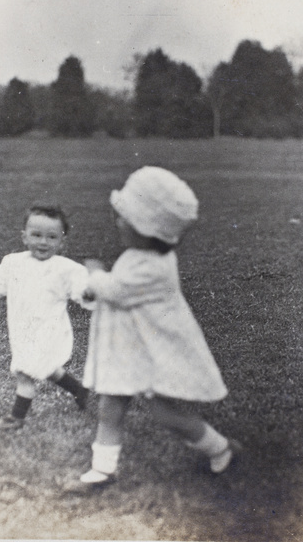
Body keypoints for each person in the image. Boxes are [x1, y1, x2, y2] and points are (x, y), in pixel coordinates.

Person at [77, 166, 240, 488]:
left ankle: (220, 447)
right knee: (110, 406)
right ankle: (102, 470)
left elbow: (118, 291)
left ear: (148, 230)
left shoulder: (154, 266)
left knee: (166, 415)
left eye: (126, 218)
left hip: (154, 353)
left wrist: (94, 274)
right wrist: (95, 288)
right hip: (126, 349)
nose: (117, 221)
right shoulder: (139, 253)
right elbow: (116, 292)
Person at [0, 202, 91, 430]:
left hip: (50, 329)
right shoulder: (14, 263)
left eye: (52, 237)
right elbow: (0, 282)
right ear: (24, 237)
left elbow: (81, 291)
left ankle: (17, 417)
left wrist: (90, 290)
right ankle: (78, 390)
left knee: (26, 371)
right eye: (36, 235)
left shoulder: (67, 269)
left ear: (62, 241)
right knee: (44, 367)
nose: (43, 242)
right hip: (22, 327)